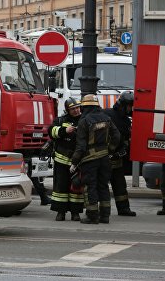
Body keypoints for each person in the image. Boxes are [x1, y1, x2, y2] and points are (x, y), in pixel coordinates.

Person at [70, 94, 121, 224]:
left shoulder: (84, 121)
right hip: (105, 159)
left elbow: (81, 146)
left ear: (85, 107)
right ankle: (105, 216)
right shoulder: (107, 118)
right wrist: (110, 150)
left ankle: (92, 216)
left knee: (90, 187)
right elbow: (116, 136)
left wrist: (74, 162)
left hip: (89, 160)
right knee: (103, 186)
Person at [48, 97, 84, 221]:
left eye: (77, 108)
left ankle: (75, 213)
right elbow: (51, 131)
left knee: (76, 188)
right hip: (61, 160)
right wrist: (64, 130)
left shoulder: (84, 120)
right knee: (60, 187)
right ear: (67, 110)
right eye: (73, 109)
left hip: (78, 161)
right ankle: (60, 212)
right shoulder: (61, 120)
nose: (76, 110)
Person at [104, 91, 137, 216]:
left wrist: (124, 149)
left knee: (120, 185)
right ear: (123, 105)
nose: (130, 108)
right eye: (129, 105)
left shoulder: (126, 121)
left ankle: (123, 209)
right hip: (104, 158)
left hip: (117, 158)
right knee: (102, 186)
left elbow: (125, 139)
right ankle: (102, 209)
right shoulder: (107, 114)